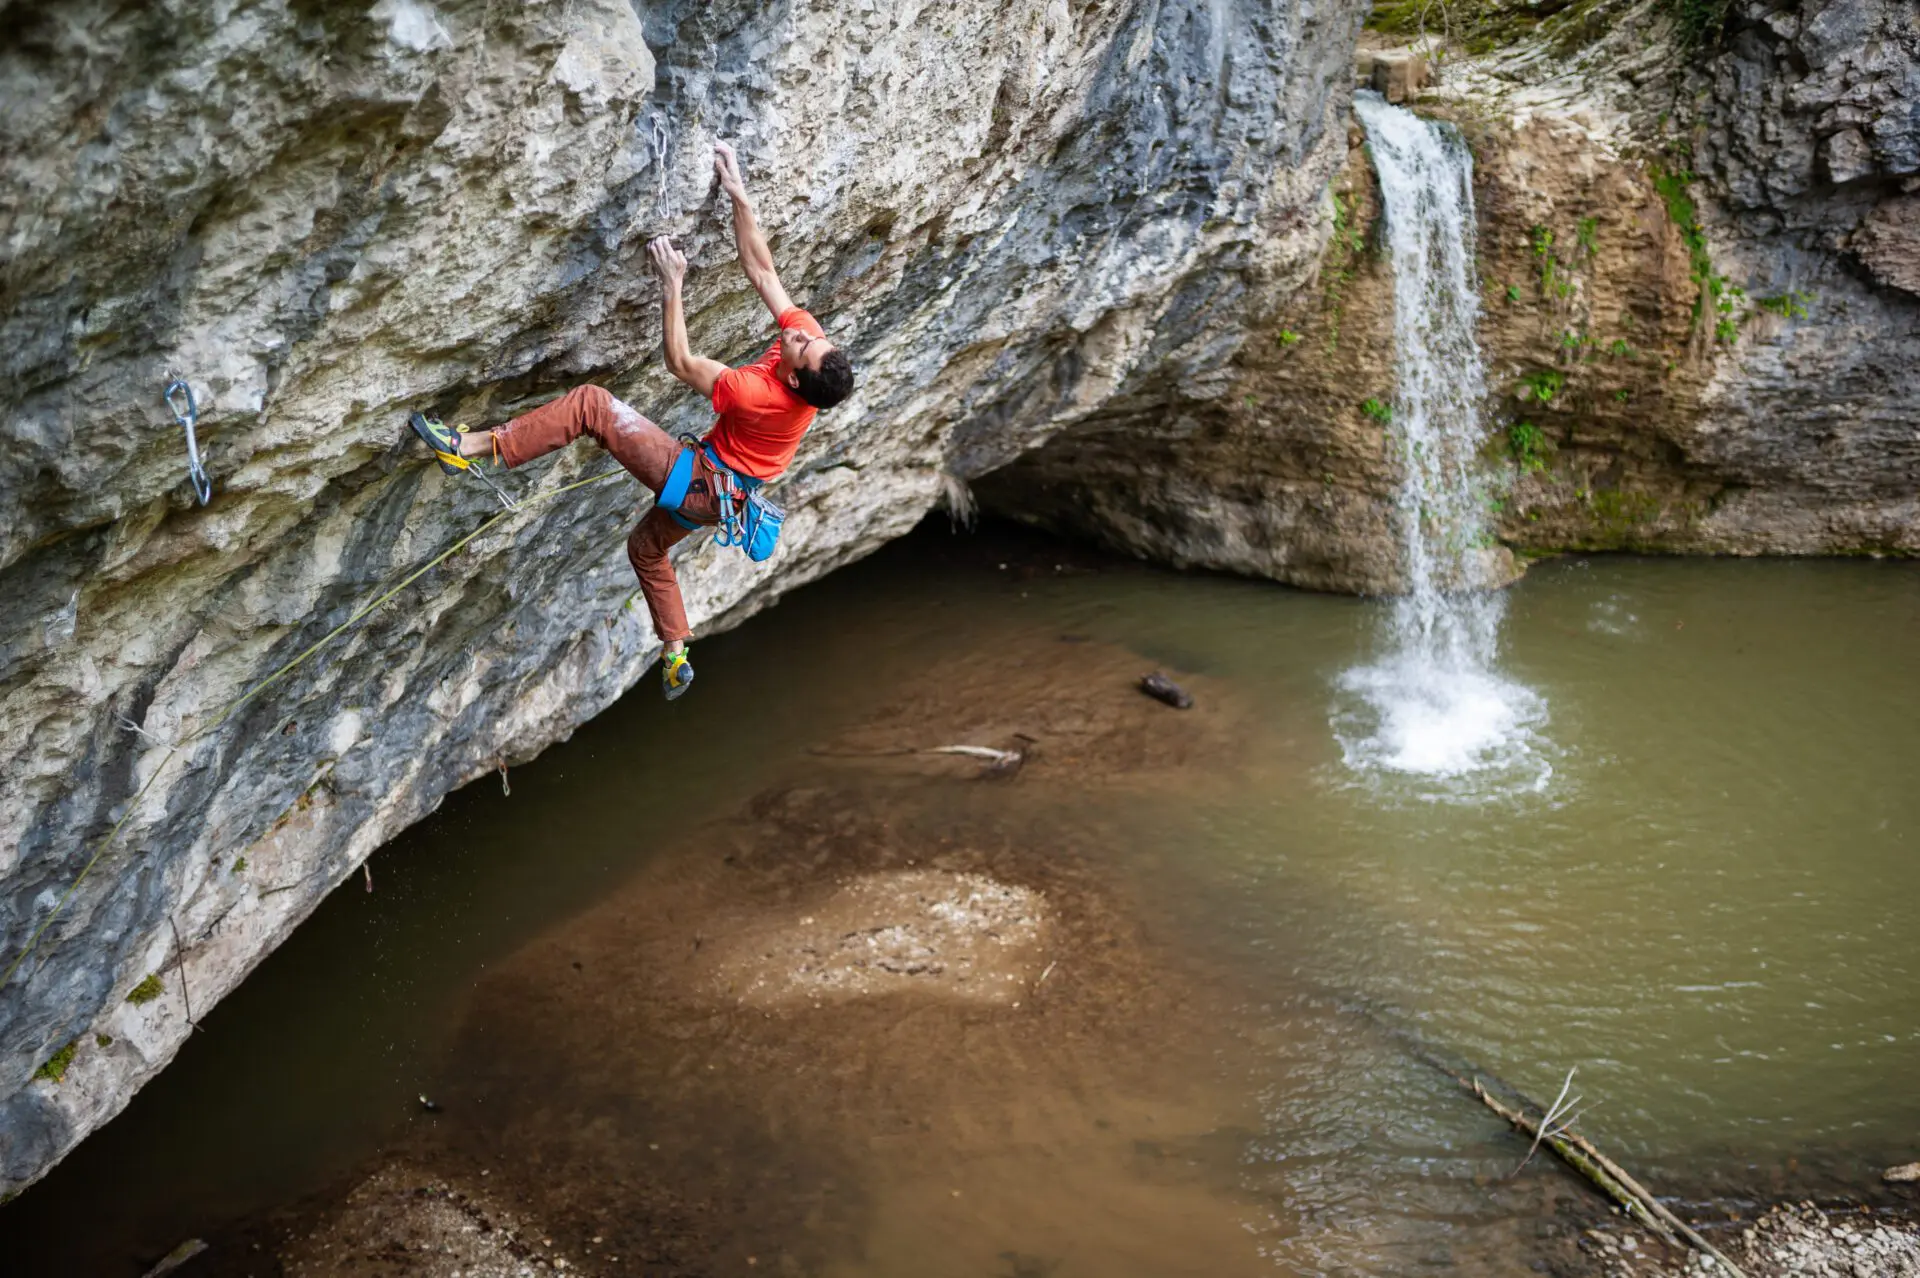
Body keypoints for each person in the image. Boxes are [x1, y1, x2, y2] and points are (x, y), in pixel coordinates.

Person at [409, 142, 855, 700]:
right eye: (809, 336)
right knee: (646, 549)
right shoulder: (807, 355)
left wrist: (673, 283)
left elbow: (681, 364)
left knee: (593, 405)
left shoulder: (760, 394)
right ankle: (676, 652)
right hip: (726, 499)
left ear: (796, 380)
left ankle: (470, 447)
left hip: (698, 483)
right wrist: (740, 198)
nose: (798, 333)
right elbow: (762, 270)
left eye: (801, 345)